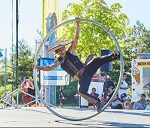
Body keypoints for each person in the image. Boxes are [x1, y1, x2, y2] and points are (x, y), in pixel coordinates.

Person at [36, 18, 120, 111]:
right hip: (82, 78)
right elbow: (49, 68)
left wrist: (78, 24)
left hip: (87, 69)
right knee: (81, 92)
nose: (61, 51)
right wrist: (37, 67)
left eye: (62, 48)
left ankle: (113, 56)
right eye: (59, 50)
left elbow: (76, 38)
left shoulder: (71, 51)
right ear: (57, 52)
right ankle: (97, 102)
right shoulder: (59, 61)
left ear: (64, 48)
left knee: (96, 60)